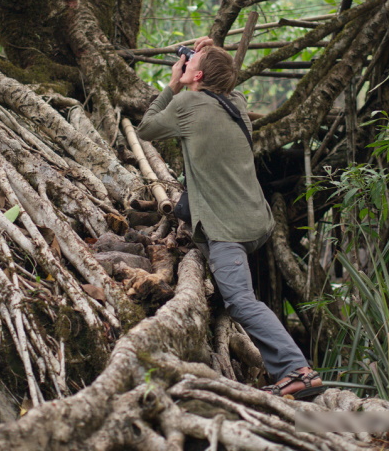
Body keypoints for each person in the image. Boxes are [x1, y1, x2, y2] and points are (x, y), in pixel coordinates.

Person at [137, 36, 324, 399]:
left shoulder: (188, 103)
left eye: (190, 63)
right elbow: (219, 78)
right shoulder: (235, 102)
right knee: (185, 204)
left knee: (240, 300)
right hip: (257, 218)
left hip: (228, 230)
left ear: (197, 76)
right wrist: (209, 51)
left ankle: (297, 370)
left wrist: (173, 84)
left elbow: (146, 128)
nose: (184, 63)